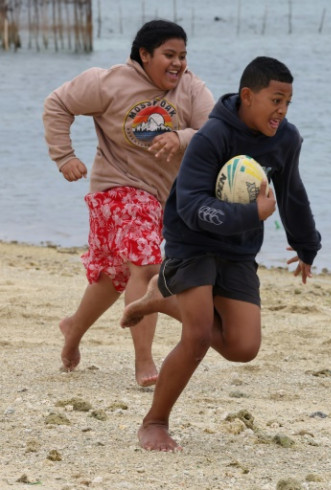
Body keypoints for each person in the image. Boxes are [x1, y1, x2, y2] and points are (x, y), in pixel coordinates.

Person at [119, 56, 322, 451]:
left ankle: (162, 300)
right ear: (247, 96)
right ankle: (155, 422)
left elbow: (292, 192)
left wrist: (306, 244)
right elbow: (190, 206)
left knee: (243, 347)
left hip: (238, 248)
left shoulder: (287, 139)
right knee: (196, 336)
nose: (281, 111)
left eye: (288, 103)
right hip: (192, 241)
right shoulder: (212, 136)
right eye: (275, 100)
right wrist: (252, 213)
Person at [42, 20, 215, 387]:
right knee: (147, 266)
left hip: (161, 198)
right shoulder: (109, 83)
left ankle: (73, 328)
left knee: (115, 276)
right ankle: (144, 362)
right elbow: (57, 104)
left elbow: (214, 133)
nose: (178, 64)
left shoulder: (192, 89)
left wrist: (180, 137)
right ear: (144, 54)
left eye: (183, 56)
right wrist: (64, 156)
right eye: (169, 55)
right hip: (115, 190)